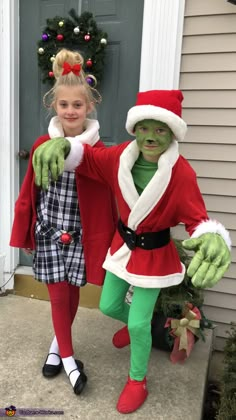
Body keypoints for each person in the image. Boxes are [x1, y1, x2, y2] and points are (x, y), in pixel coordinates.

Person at [32, 89, 231, 413]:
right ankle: (148, 325)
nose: (150, 136)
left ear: (171, 132)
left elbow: (198, 219)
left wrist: (214, 236)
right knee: (109, 305)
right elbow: (89, 159)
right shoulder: (120, 156)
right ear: (134, 128)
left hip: (154, 256)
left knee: (136, 324)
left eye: (160, 129)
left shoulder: (181, 173)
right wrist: (65, 145)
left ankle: (137, 380)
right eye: (144, 128)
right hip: (123, 247)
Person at [10, 48, 117, 395]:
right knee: (57, 297)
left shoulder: (98, 152)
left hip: (82, 237)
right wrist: (23, 231)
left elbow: (111, 194)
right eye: (64, 105)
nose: (71, 111)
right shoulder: (43, 145)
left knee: (72, 296)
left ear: (89, 107)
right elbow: (29, 193)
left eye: (78, 105)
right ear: (53, 107)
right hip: (50, 234)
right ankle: (70, 361)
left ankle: (57, 346)